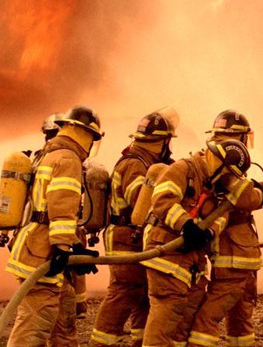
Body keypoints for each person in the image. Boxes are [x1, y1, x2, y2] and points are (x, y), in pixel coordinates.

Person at [140, 129, 253, 347]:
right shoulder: (184, 169)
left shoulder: (211, 183)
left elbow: (221, 215)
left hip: (191, 263)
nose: (226, 178)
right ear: (218, 160)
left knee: (186, 317)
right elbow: (162, 199)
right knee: (166, 315)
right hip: (166, 256)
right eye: (227, 172)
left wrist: (208, 233)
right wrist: (186, 225)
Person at [5, 105, 102, 347]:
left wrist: (75, 247)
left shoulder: (51, 155)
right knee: (33, 326)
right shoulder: (68, 160)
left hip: (36, 246)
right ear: (83, 133)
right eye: (92, 137)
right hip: (42, 252)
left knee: (62, 316)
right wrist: (61, 247)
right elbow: (61, 207)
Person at [185, 110, 263, 347]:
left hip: (241, 255)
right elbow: (242, 198)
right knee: (212, 314)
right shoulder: (224, 159)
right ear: (238, 136)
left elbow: (237, 191)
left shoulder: (218, 157)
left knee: (241, 315)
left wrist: (258, 189)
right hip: (232, 254)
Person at [90, 109, 179, 347]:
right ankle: (101, 342)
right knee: (124, 291)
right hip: (124, 238)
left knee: (143, 294)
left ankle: (140, 341)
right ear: (163, 141)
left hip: (134, 237)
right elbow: (140, 199)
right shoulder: (134, 164)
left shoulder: (146, 161)